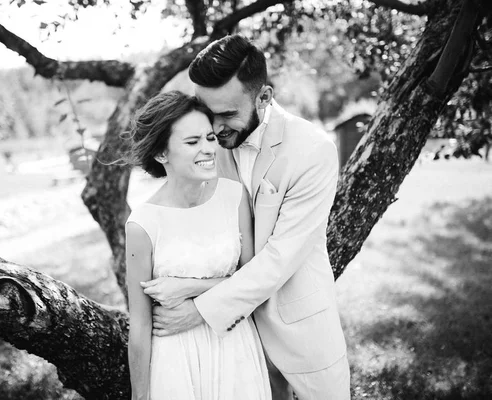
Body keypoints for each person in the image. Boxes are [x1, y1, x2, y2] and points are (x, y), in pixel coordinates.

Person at [143, 35, 350, 400]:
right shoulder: (213, 146)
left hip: (300, 328)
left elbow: (278, 260)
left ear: (264, 97)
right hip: (234, 342)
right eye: (209, 114)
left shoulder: (313, 151)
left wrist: (198, 310)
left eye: (227, 114)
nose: (216, 128)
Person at [124, 90, 271, 400]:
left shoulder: (235, 197)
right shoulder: (143, 225)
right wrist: (139, 395)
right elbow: (139, 324)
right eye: (192, 143)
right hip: (177, 360)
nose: (208, 150)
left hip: (234, 346)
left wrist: (188, 287)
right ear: (162, 154)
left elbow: (254, 281)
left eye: (209, 137)